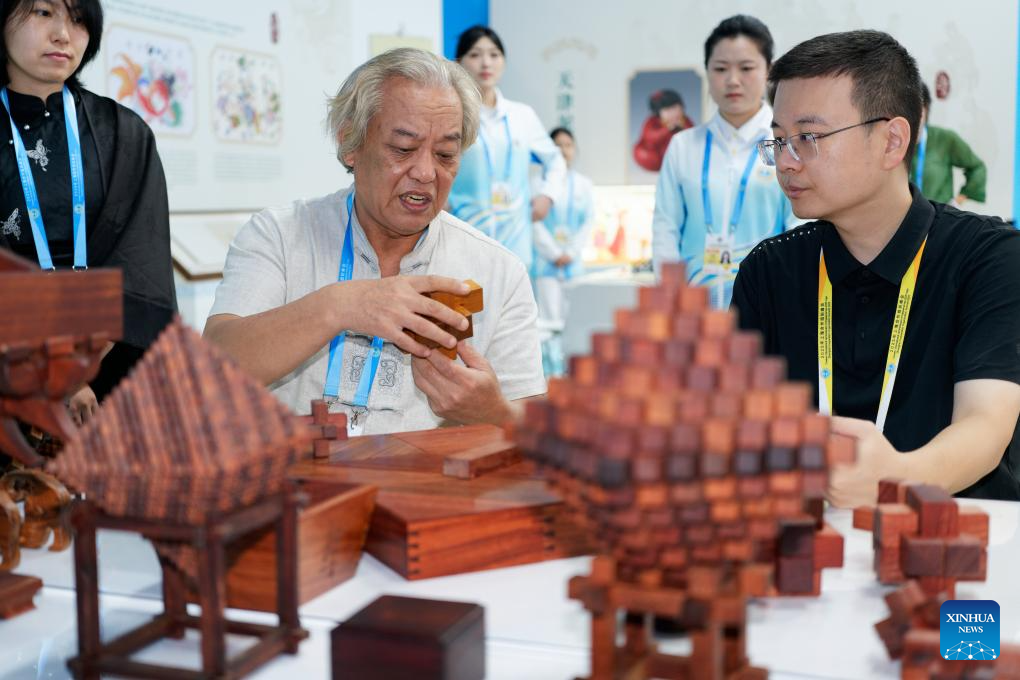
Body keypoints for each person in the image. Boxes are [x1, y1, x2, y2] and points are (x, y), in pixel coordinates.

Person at [733, 30, 1020, 504]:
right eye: (779, 140)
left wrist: (898, 476)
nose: (785, 162)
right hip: (807, 547)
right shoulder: (769, 271)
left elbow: (985, 426)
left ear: (891, 141)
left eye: (808, 137)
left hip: (960, 540)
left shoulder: (989, 258)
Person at [204, 48, 546, 437]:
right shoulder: (281, 235)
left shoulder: (498, 269)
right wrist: (342, 306)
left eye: (446, 154)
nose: (425, 172)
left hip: (425, 492)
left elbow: (532, 430)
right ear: (350, 142)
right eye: (402, 149)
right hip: (295, 488)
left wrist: (493, 411)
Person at [0, 0, 175, 426]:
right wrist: (47, 364)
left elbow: (140, 261)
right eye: (43, 12)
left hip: (104, 370)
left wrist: (81, 369)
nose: (63, 33)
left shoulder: (124, 134)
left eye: (78, 19)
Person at [651, 15, 796, 310]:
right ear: (707, 72)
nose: (732, 80)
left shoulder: (787, 143)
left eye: (746, 68)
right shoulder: (683, 146)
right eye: (720, 69)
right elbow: (666, 227)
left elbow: (798, 228)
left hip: (769, 306)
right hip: (694, 310)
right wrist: (670, 299)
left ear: (768, 71)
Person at [448, 25, 567, 270]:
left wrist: (547, 196)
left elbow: (555, 160)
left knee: (515, 306)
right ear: (459, 63)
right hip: (464, 241)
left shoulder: (522, 115)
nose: (485, 63)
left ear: (503, 61)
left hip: (516, 245)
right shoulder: (451, 114)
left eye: (494, 54)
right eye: (475, 54)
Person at [533, 127, 594, 375]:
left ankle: (573, 375)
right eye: (557, 145)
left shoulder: (584, 185)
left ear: (575, 150)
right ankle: (550, 376)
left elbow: (588, 222)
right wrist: (554, 253)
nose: (563, 150)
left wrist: (571, 251)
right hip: (547, 266)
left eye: (568, 145)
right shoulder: (537, 184)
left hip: (573, 265)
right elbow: (533, 222)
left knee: (573, 322)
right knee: (547, 324)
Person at [911, 82, 986, 206]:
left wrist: (957, 201)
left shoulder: (944, 139)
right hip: (902, 220)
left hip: (937, 219)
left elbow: (977, 168)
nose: (913, 119)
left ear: (926, 110)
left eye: (917, 112)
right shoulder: (892, 142)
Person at [632, 88, 695, 172]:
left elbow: (692, 136)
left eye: (674, 108)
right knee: (643, 153)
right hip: (657, 153)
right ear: (658, 113)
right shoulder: (652, 121)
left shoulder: (685, 120)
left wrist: (683, 127)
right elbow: (650, 137)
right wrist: (667, 129)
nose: (672, 113)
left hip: (676, 153)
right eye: (667, 110)